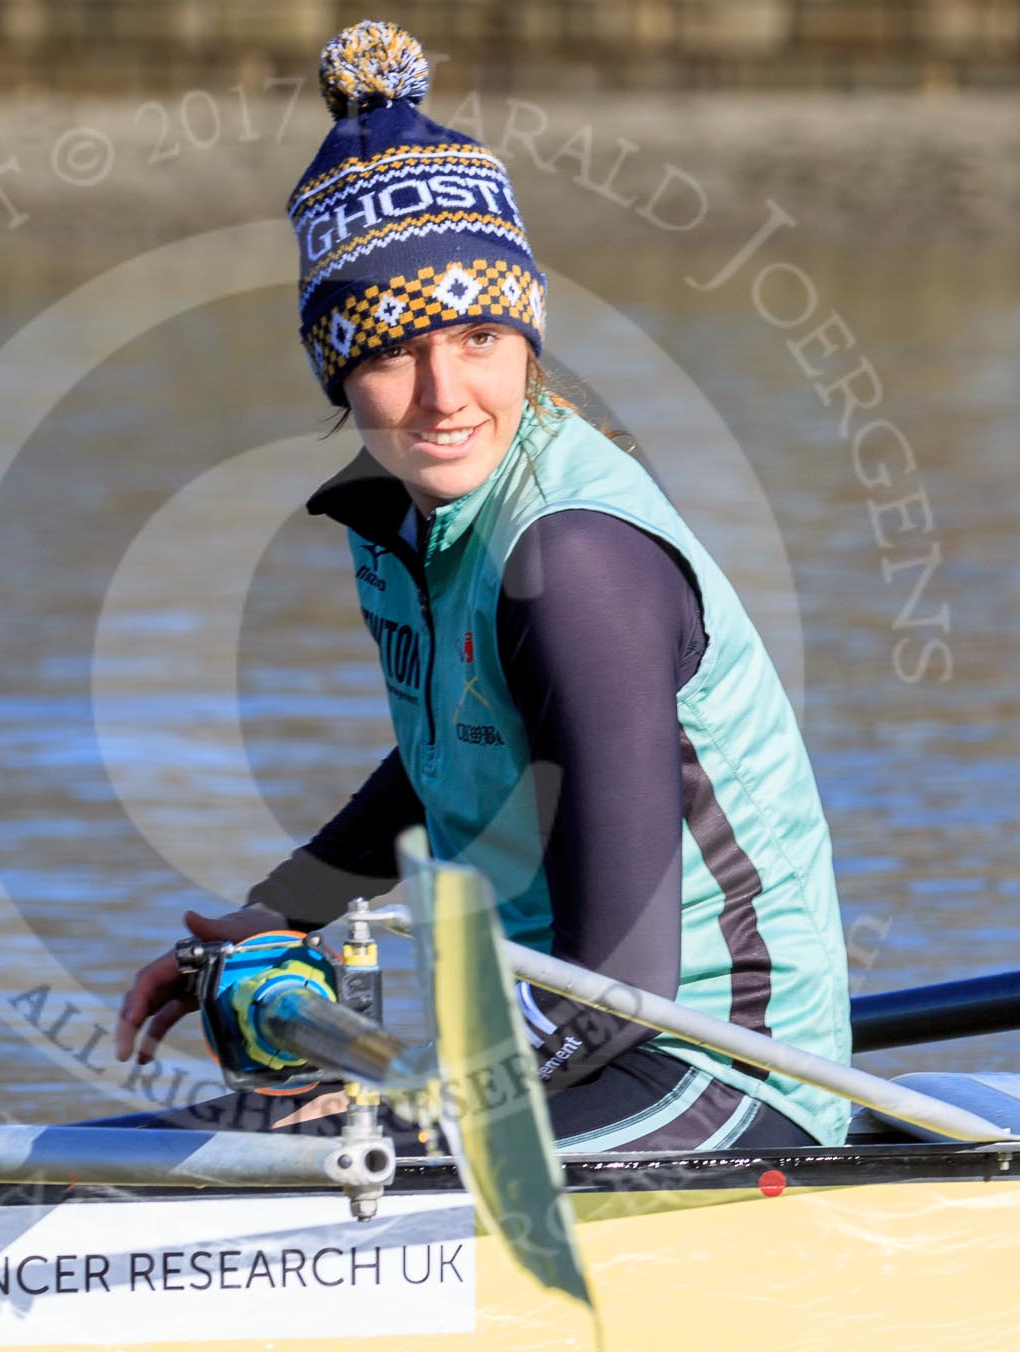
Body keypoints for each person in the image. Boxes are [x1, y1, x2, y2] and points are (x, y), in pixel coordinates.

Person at [111, 20, 851, 1152]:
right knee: (205, 1145)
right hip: (575, 1043)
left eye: (477, 338)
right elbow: (451, 752)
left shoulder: (575, 568)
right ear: (338, 369)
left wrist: (402, 1095)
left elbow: (618, 991)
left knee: (322, 1142)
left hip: (714, 1070)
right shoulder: (405, 518)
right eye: (394, 351)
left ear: (529, 342)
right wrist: (277, 914)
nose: (443, 393)